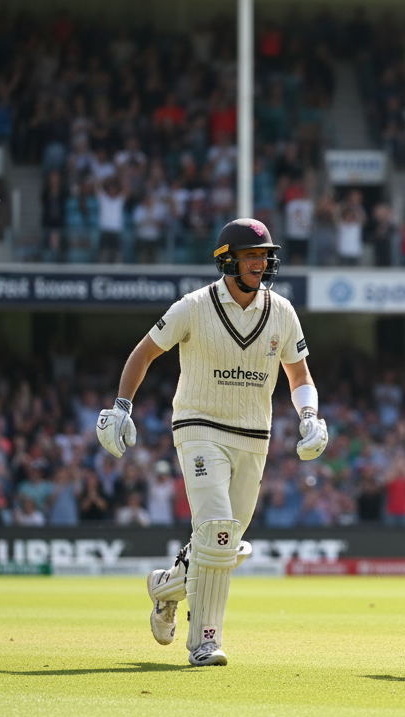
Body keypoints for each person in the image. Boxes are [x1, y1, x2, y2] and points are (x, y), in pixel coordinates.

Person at [97, 218, 328, 667]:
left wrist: (310, 415)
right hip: (199, 426)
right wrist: (122, 405)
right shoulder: (193, 306)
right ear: (227, 260)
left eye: (264, 256)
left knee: (224, 540)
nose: (260, 263)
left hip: (253, 435)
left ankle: (165, 586)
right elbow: (144, 352)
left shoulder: (282, 311)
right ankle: (205, 641)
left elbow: (298, 374)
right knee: (219, 530)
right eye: (250, 256)